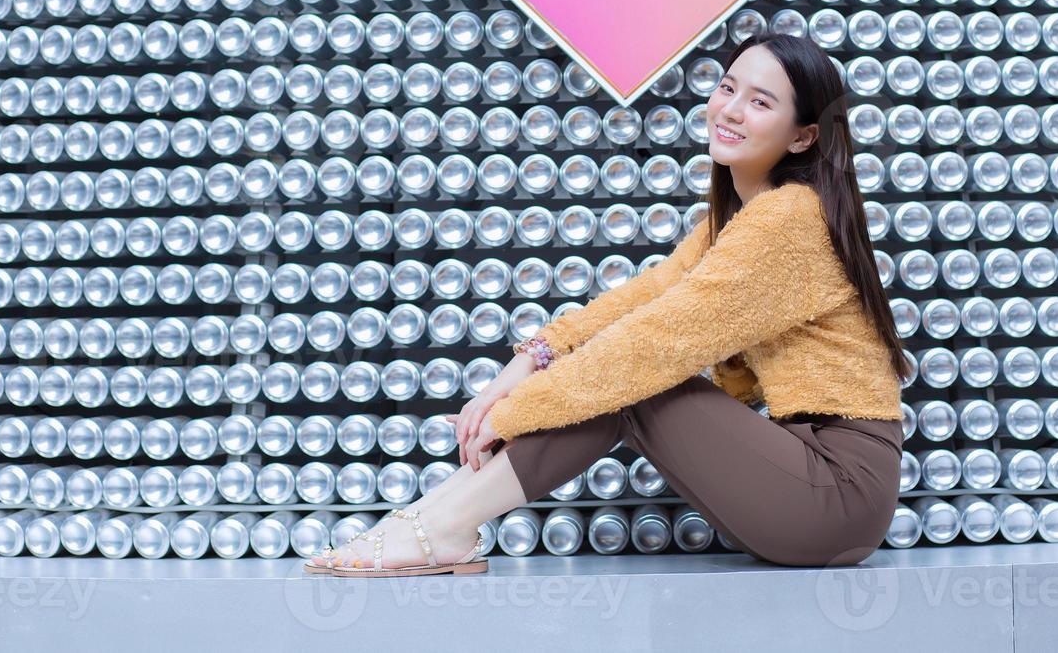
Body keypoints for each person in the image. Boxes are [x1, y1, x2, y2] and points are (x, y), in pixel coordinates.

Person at [308, 30, 915, 576]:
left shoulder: (790, 218)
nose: (729, 109)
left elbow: (658, 339)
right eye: (728, 87)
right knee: (617, 371)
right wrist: (529, 360)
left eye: (761, 102)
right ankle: (437, 519)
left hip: (835, 495)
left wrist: (518, 411)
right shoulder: (740, 219)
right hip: (801, 482)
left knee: (635, 380)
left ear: (803, 134)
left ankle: (441, 526)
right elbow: (643, 298)